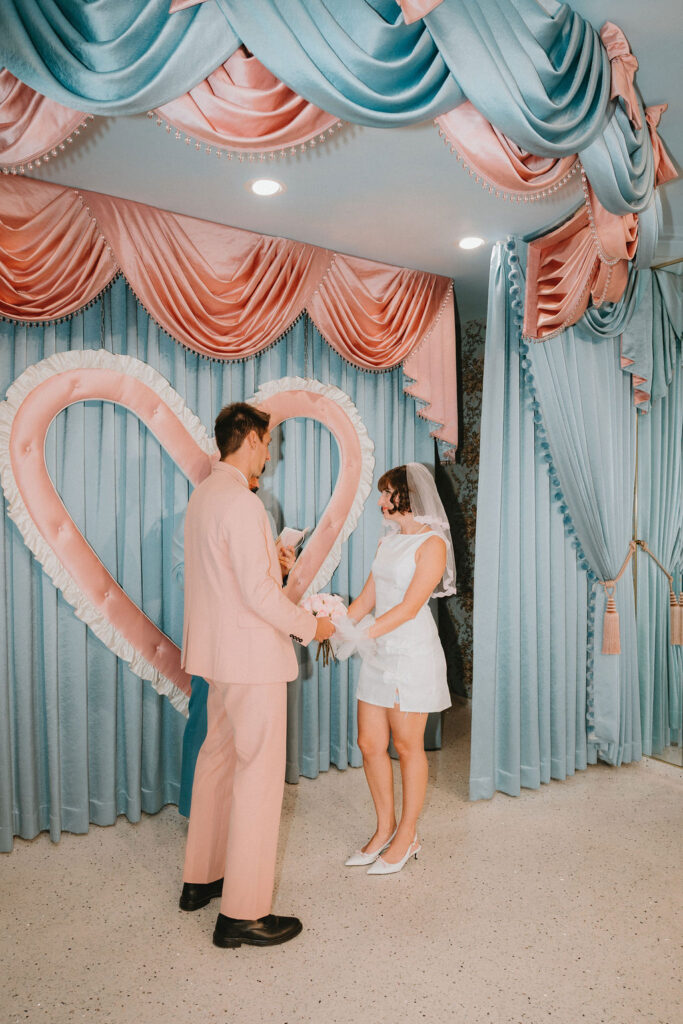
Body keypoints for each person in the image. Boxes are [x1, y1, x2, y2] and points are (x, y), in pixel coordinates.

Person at [179, 402, 334, 948]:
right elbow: (258, 595)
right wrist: (311, 626)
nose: (270, 453)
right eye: (267, 443)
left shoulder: (204, 496)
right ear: (248, 440)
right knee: (257, 778)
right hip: (250, 661)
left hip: (216, 660)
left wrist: (274, 558)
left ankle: (200, 880)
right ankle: (242, 913)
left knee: (216, 761)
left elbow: (227, 575)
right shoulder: (244, 505)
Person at [344, 463, 456, 875]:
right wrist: (333, 624)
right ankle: (384, 828)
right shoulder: (387, 542)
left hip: (410, 652)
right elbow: (365, 599)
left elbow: (409, 608)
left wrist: (364, 634)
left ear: (405, 496)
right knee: (369, 743)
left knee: (408, 746)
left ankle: (408, 836)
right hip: (377, 650)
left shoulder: (432, 545)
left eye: (386, 493)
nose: (380, 501)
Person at [172, 478, 295, 818]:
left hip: (255, 643)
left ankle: (238, 815)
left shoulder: (261, 513)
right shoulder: (195, 512)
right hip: (216, 638)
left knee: (248, 737)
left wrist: (280, 569)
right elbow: (183, 574)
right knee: (205, 723)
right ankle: (196, 811)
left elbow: (263, 583)